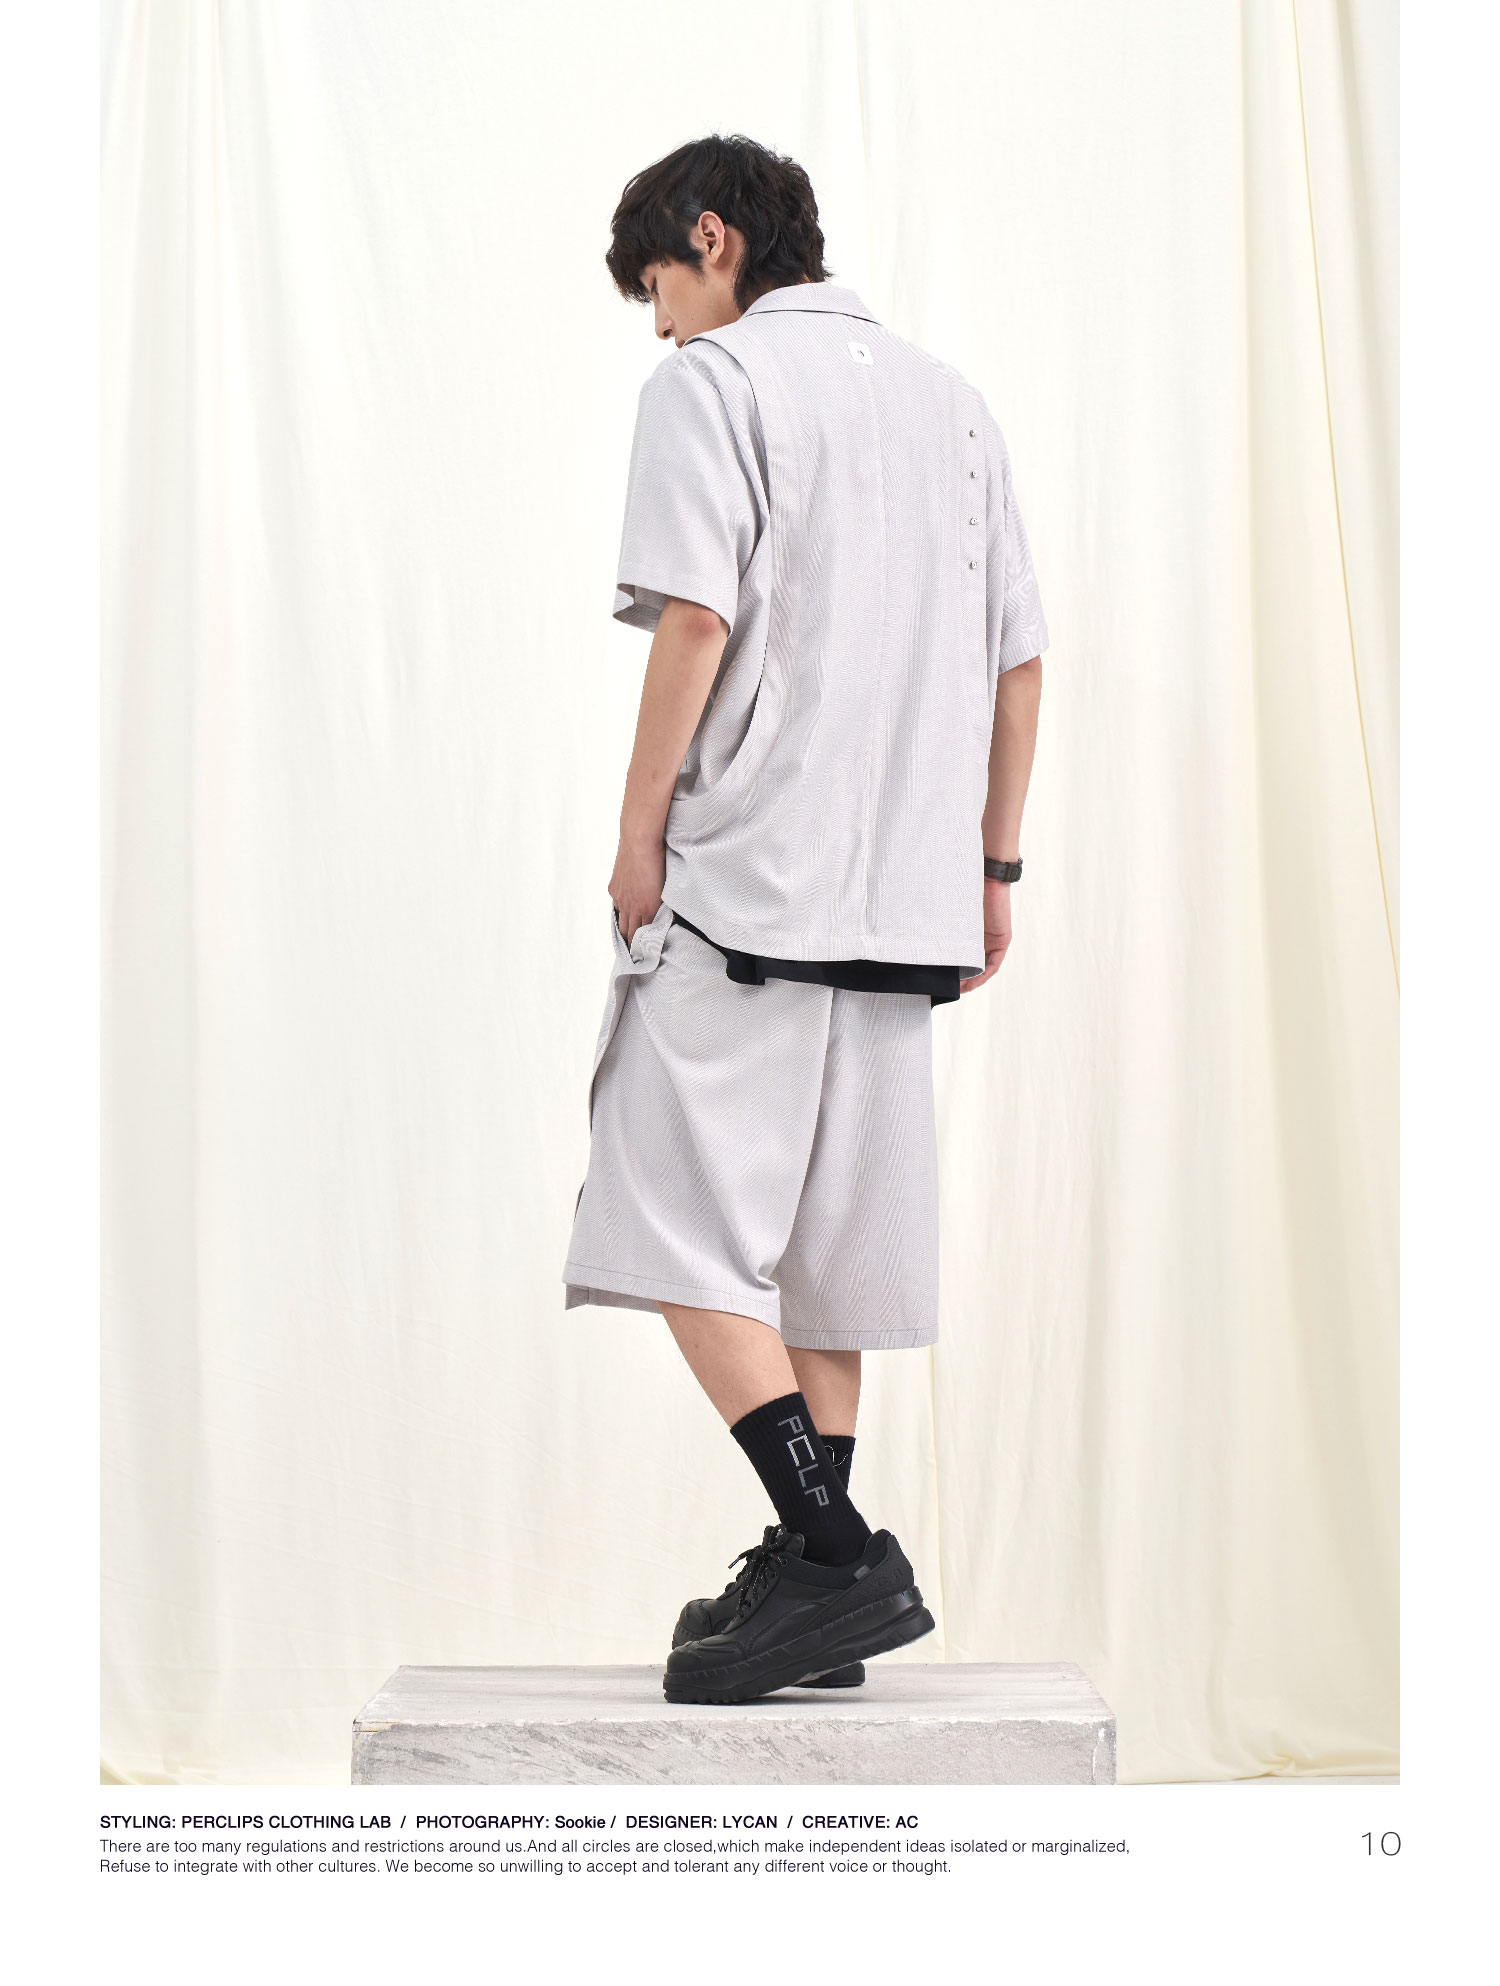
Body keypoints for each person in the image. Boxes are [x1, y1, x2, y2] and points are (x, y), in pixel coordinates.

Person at [562, 134, 1049, 1705]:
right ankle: (812, 1576)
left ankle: (835, 1552)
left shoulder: (713, 386)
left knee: (667, 1203)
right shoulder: (953, 405)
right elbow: (1021, 661)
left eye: (659, 285)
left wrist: (638, 833)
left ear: (713, 238)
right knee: (830, 1253)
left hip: (745, 889)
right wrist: (993, 870)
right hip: (905, 905)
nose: (660, 325)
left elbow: (697, 614)